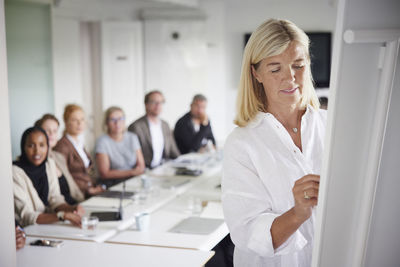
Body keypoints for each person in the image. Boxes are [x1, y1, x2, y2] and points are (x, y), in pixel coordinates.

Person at [222, 19, 326, 266]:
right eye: (275, 68)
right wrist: (298, 213)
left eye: (298, 65)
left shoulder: (334, 126)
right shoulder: (241, 143)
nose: (290, 78)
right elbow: (248, 233)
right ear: (256, 73)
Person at [13, 127, 84, 227]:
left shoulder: (48, 164)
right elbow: (26, 216)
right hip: (25, 232)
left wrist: (71, 209)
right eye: (31, 145)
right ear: (23, 147)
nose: (37, 151)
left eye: (42, 145)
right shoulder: (14, 172)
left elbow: (55, 199)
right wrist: (62, 216)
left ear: (47, 147)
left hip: (47, 227)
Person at [54, 104, 104, 196]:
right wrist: (88, 190)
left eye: (82, 119)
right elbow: (65, 178)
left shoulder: (79, 143)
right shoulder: (62, 146)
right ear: (66, 122)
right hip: (78, 195)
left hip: (91, 189)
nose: (79, 123)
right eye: (74, 120)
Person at [35, 114, 85, 204]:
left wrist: (83, 202)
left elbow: (73, 187)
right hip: (58, 210)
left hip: (75, 204)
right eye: (47, 130)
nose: (51, 134)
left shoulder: (58, 156)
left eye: (55, 131)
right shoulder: (36, 161)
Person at [128, 90, 180, 168]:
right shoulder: (136, 126)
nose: (158, 105)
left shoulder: (165, 125)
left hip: (163, 168)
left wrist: (182, 162)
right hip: (144, 170)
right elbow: (132, 156)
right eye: (154, 102)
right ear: (146, 104)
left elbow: (173, 151)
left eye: (161, 102)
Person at [95, 106, 145, 186]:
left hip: (134, 180)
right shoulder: (102, 142)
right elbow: (105, 173)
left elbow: (141, 166)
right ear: (106, 122)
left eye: (120, 119)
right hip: (114, 183)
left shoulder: (132, 137)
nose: (117, 123)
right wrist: (132, 172)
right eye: (113, 119)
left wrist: (135, 173)